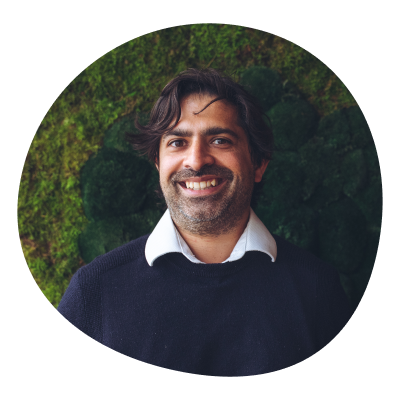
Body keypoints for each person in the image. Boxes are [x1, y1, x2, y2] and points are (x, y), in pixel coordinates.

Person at [57, 68, 353, 376]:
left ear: (258, 163)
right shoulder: (94, 291)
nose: (196, 160)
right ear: (158, 163)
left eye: (220, 140)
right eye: (177, 142)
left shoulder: (318, 290)